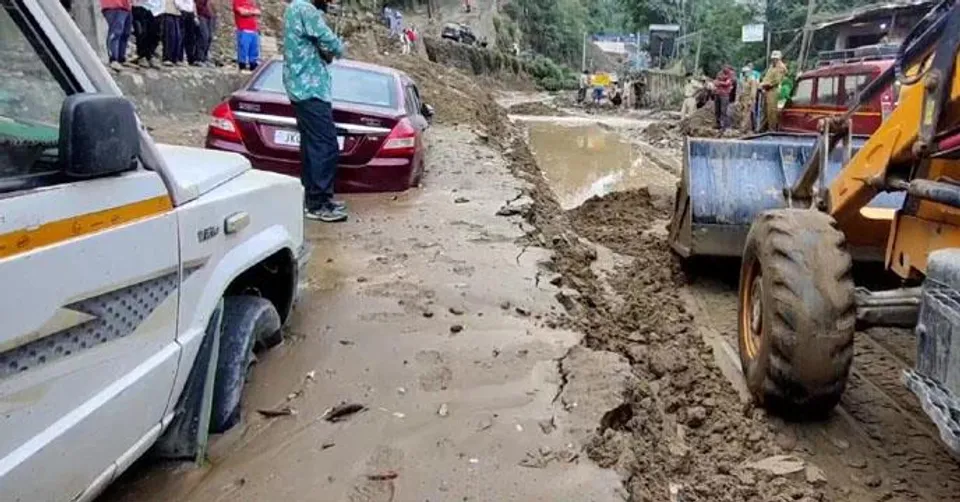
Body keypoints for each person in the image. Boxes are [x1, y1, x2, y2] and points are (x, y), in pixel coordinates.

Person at [283, 0, 347, 222]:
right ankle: (318, 203)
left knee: (312, 146)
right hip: (310, 89)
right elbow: (333, 44)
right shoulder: (305, 9)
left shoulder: (295, 8)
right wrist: (338, 46)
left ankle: (315, 200)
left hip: (302, 88)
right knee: (325, 145)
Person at [760, 50, 788, 131]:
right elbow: (767, 77)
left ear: (779, 58)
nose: (774, 60)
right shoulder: (771, 66)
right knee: (766, 111)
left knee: (772, 112)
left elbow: (776, 81)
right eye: (773, 58)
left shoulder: (781, 67)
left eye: (776, 58)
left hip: (773, 90)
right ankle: (764, 129)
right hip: (767, 90)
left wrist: (766, 84)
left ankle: (772, 129)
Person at [101, 0, 133, 71]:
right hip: (114, 6)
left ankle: (121, 58)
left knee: (125, 33)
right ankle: (113, 59)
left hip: (126, 7)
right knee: (116, 33)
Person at [132, 0, 162, 68]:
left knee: (155, 34)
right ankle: (142, 56)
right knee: (142, 33)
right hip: (142, 6)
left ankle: (149, 55)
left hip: (157, 9)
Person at [233, 0, 261, 71]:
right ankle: (242, 66)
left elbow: (258, 11)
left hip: (254, 30)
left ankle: (253, 66)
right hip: (243, 29)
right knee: (243, 49)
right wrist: (252, 12)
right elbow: (242, 12)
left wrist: (249, 12)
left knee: (254, 49)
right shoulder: (237, 1)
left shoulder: (251, 1)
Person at [160, 0, 182, 66]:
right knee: (169, 36)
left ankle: (175, 58)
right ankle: (167, 58)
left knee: (177, 37)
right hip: (167, 11)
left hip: (176, 12)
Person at [194, 0, 216, 66]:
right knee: (204, 36)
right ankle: (199, 58)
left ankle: (205, 57)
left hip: (209, 15)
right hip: (201, 14)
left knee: (209, 37)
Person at [176, 0, 197, 67]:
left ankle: (190, 58)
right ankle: (179, 58)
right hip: (182, 10)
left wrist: (195, 14)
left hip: (190, 11)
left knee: (190, 37)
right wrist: (179, 7)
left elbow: (193, 2)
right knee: (181, 35)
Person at [713, 65, 734, 131]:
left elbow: (727, 83)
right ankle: (718, 124)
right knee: (717, 110)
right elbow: (715, 82)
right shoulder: (719, 73)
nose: (724, 69)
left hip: (725, 95)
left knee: (723, 111)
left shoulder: (730, 74)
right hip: (718, 93)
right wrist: (719, 83)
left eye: (725, 68)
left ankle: (724, 126)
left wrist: (719, 83)